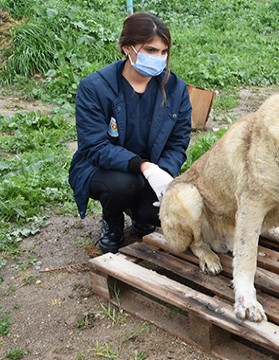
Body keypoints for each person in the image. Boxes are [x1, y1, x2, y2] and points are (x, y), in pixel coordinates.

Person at [69, 12, 192, 254]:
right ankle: (112, 220)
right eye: (150, 50)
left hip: (153, 169)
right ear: (128, 48)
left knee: (155, 215)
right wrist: (144, 167)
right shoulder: (95, 88)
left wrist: (164, 172)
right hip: (105, 169)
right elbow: (95, 147)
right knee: (122, 185)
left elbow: (178, 142)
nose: (159, 58)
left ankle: (140, 214)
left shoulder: (175, 89)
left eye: (163, 52)